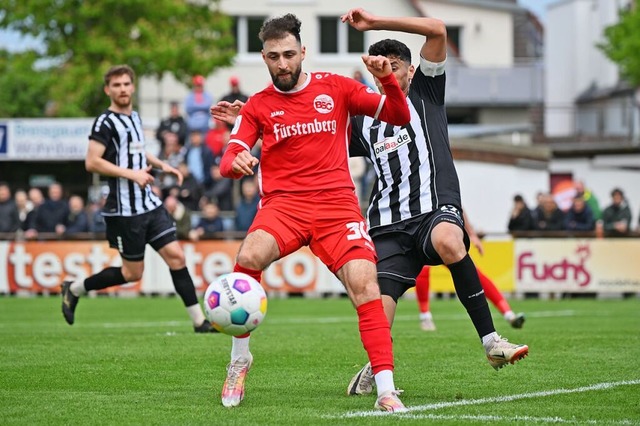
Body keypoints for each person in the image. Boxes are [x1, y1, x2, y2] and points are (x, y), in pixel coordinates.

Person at [210, 13, 411, 412]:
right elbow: (230, 154)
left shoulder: (335, 88)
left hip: (337, 208)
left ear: (304, 52)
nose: (282, 64)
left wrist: (388, 78)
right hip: (284, 207)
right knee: (247, 256)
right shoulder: (257, 106)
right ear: (263, 58)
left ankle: (386, 389)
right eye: (273, 56)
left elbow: (399, 115)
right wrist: (236, 162)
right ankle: (239, 361)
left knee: (365, 284)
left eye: (288, 54)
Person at [338, 8, 528, 396]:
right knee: (380, 303)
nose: (387, 73)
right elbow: (320, 141)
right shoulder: (363, 118)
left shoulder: (426, 91)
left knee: (448, 241)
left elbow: (438, 29)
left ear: (410, 70)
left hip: (434, 209)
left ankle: (492, 342)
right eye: (380, 68)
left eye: (394, 66)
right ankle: (376, 367)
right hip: (388, 223)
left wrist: (374, 24)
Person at [60, 64, 216, 333]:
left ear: (132, 87)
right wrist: (131, 175)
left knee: (177, 257)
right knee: (133, 274)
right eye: (116, 85)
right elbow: (92, 162)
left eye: (126, 84)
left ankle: (199, 322)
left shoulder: (134, 117)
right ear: (108, 90)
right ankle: (74, 288)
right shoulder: (105, 122)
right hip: (124, 210)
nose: (122, 89)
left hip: (149, 205)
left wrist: (162, 164)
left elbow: (137, 153)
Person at [416, 213, 525, 331]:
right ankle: (425, 317)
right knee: (423, 270)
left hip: (445, 239)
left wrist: (472, 234)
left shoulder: (446, 196)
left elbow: (458, 207)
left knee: (473, 274)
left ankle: (508, 314)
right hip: (426, 237)